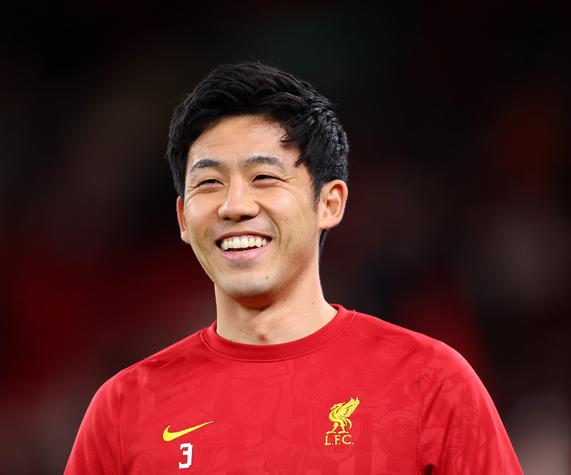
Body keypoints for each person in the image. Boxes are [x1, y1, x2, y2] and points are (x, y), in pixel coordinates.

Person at [65, 62, 522, 474]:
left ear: (330, 203)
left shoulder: (430, 384)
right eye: (210, 182)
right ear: (183, 218)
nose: (235, 205)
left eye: (264, 177)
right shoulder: (125, 409)